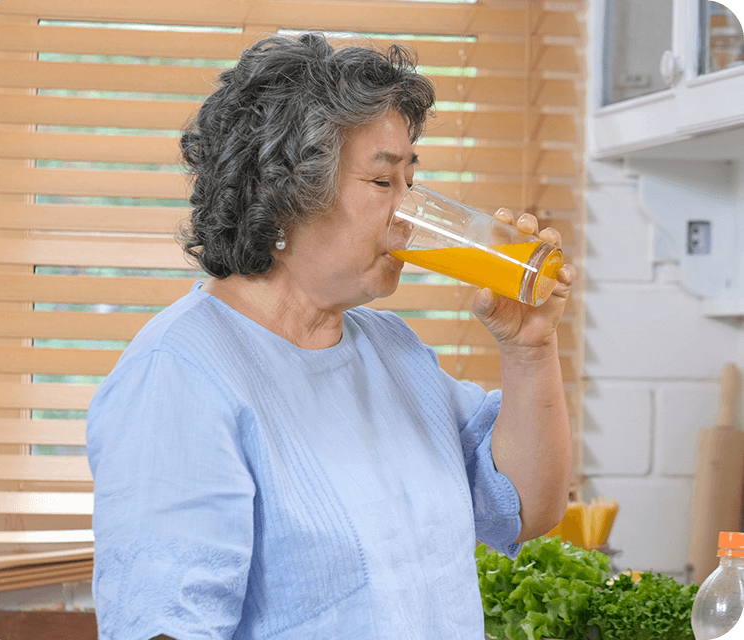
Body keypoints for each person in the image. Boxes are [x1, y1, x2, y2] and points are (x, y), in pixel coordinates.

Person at [86, 32, 576, 640]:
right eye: (382, 182)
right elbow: (163, 624)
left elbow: (527, 507)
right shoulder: (179, 374)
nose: (408, 211)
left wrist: (529, 350)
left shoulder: (392, 352)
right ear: (289, 190)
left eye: (410, 180)